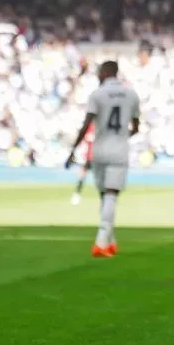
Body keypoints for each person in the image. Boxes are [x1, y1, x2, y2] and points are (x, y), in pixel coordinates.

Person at [65, 61, 141, 258]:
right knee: (111, 195)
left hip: (99, 149)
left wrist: (73, 149)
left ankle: (109, 242)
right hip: (119, 150)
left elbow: (86, 124)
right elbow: (136, 127)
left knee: (104, 196)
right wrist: (122, 137)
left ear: (106, 72)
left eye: (99, 72)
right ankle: (102, 242)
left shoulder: (97, 94)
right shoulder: (131, 94)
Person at [70, 121, 96, 206]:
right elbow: (85, 137)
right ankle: (77, 193)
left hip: (99, 156)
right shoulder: (90, 127)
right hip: (89, 156)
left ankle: (108, 196)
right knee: (82, 175)